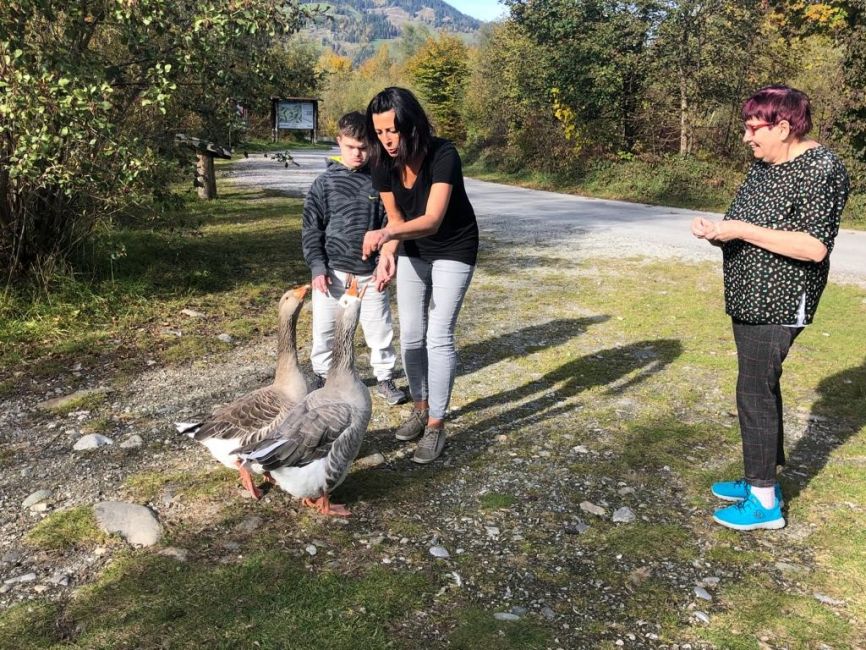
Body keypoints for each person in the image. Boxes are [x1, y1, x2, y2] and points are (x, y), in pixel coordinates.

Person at [692, 85, 849, 530]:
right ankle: (759, 478)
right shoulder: (766, 164)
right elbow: (748, 224)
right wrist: (719, 231)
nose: (746, 137)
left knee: (754, 392)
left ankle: (763, 503)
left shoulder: (821, 169)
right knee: (760, 385)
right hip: (749, 297)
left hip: (779, 300)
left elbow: (814, 247)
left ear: (782, 127)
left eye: (752, 128)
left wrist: (741, 229)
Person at [361, 87, 479, 464]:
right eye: (379, 132)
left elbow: (432, 220)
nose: (386, 139)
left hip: (454, 247)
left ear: (410, 125)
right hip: (414, 247)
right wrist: (387, 255)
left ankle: (436, 424)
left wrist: (385, 236)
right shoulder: (382, 163)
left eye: (392, 130)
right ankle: (420, 406)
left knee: (438, 335)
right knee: (411, 333)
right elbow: (397, 219)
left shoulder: (444, 155)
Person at [301, 111, 406, 406]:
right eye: (351, 147)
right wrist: (317, 268)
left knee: (379, 329)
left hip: (370, 274)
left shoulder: (381, 183)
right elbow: (311, 229)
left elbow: (391, 224)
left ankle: (384, 378)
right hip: (332, 274)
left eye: (364, 147)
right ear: (339, 142)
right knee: (324, 330)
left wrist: (386, 259)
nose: (358, 154)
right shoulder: (323, 184)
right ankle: (322, 376)